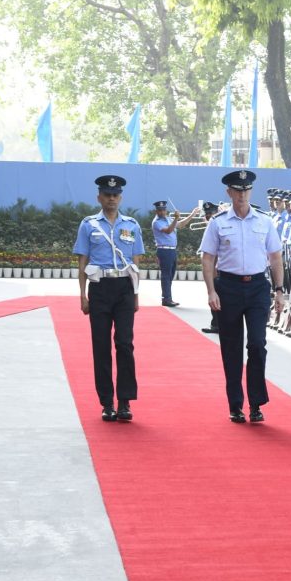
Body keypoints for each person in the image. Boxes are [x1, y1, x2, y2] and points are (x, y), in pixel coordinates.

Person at [199, 169, 286, 424]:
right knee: (232, 348)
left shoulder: (264, 221)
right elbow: (208, 258)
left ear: (251, 191)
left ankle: (256, 403)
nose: (242, 194)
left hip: (258, 286)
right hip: (228, 287)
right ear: (229, 192)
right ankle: (235, 404)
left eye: (246, 190)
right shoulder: (218, 222)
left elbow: (276, 257)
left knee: (257, 344)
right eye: (237, 190)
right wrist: (211, 290)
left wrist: (279, 291)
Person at [72, 175, 145, 422]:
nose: (111, 199)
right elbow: (82, 260)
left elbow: (136, 262)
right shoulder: (89, 224)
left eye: (115, 195)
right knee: (101, 346)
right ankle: (106, 402)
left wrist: (136, 294)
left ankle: (124, 401)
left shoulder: (132, 225)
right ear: (99, 197)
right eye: (107, 194)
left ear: (120, 197)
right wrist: (82, 295)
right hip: (100, 288)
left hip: (124, 287)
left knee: (125, 343)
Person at [152, 201, 197, 307]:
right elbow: (168, 230)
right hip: (164, 250)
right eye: (160, 210)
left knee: (170, 275)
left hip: (172, 250)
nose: (162, 212)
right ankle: (166, 299)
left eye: (164, 210)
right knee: (166, 275)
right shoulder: (156, 222)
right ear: (156, 211)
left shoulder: (168, 219)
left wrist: (192, 215)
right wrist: (176, 218)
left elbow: (180, 225)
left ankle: (168, 297)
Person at [199, 200, 222, 334]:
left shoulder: (218, 226)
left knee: (220, 299)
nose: (208, 216)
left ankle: (219, 325)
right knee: (213, 298)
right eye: (207, 214)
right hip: (212, 271)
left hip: (219, 271)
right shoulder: (210, 227)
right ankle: (215, 324)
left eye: (211, 214)